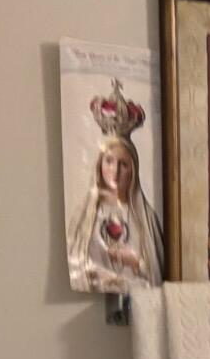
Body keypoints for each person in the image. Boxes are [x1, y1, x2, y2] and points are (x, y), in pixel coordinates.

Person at [69, 82, 164, 293]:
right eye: (109, 161)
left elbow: (157, 277)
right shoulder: (84, 215)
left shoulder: (146, 219)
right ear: (99, 165)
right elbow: (77, 267)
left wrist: (136, 263)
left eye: (123, 164)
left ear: (133, 169)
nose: (116, 170)